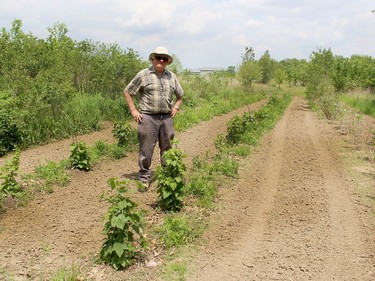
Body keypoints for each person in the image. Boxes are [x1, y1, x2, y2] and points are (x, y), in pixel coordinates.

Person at [124, 46, 184, 191]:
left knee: (167, 146)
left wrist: (176, 107)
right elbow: (128, 91)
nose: (161, 60)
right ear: (152, 59)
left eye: (164, 59)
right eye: (158, 57)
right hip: (148, 117)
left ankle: (167, 174)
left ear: (167, 62)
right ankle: (144, 177)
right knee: (146, 148)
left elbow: (180, 95)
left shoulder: (171, 76)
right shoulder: (143, 74)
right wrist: (133, 110)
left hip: (166, 117)